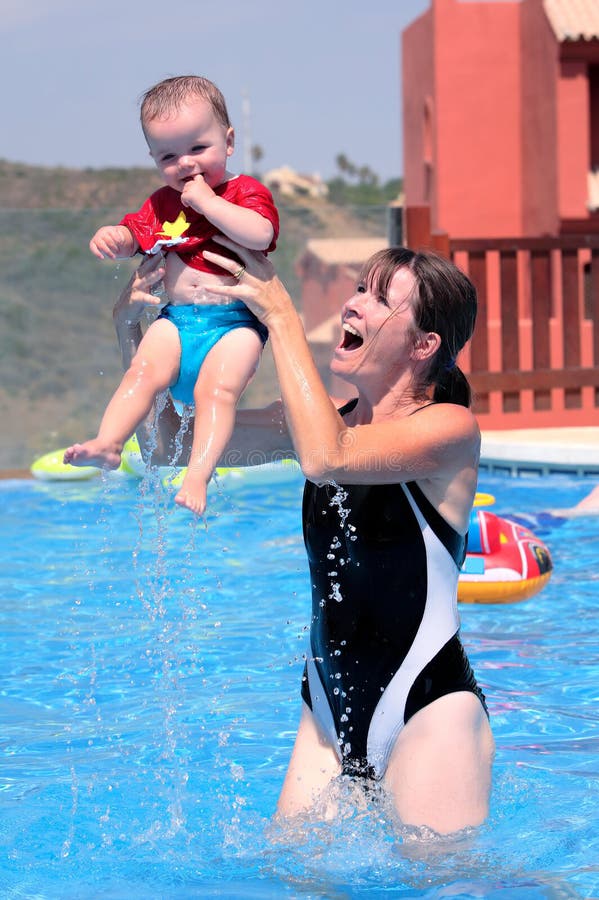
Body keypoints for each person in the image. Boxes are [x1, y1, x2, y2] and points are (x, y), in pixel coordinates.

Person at [114, 242, 495, 836]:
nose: (353, 305)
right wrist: (132, 332)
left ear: (424, 346)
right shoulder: (325, 423)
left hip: (427, 706)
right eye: (359, 288)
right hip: (326, 704)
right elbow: (164, 445)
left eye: (378, 298)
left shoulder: (449, 429)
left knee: (441, 886)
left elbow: (327, 458)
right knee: (294, 878)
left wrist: (280, 314)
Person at [64, 75, 279, 514]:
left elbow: (261, 234)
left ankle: (198, 476)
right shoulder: (162, 204)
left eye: (198, 149)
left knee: (215, 394)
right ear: (153, 158)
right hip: (177, 320)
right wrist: (115, 237)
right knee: (141, 372)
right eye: (169, 156)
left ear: (229, 140)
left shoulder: (244, 193)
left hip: (234, 325)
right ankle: (108, 443)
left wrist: (208, 203)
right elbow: (134, 235)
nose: (185, 164)